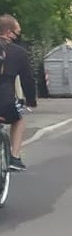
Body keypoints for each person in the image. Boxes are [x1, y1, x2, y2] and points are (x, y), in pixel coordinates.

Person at [0, 14, 37, 171]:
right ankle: (15, 158)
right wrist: (30, 101)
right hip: (4, 101)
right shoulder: (18, 52)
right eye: (17, 33)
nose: (17, 37)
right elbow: (27, 80)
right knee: (19, 119)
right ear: (8, 32)